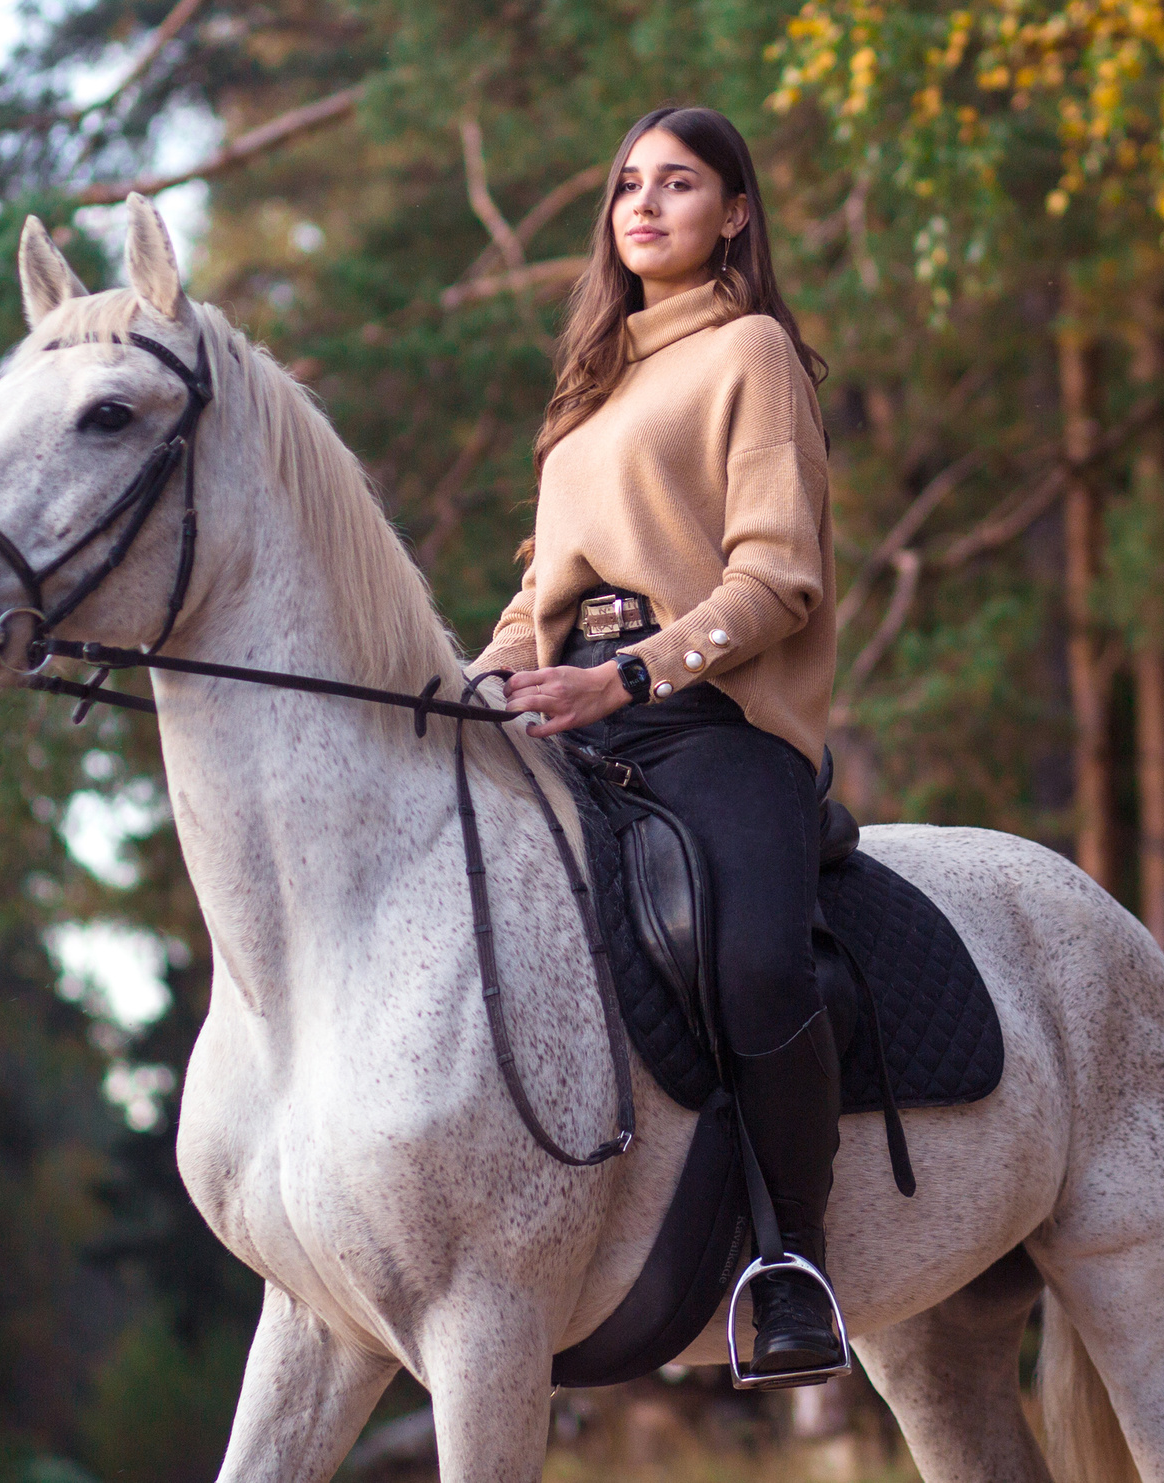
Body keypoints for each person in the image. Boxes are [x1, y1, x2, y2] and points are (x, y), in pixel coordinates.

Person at [469, 104, 842, 1378]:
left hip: (713, 721)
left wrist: (625, 678)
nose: (644, 205)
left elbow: (778, 578)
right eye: (628, 183)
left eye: (678, 184)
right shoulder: (588, 392)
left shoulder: (752, 354)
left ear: (733, 213)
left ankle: (794, 1261)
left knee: (753, 973)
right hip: (578, 708)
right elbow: (538, 603)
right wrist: (468, 690)